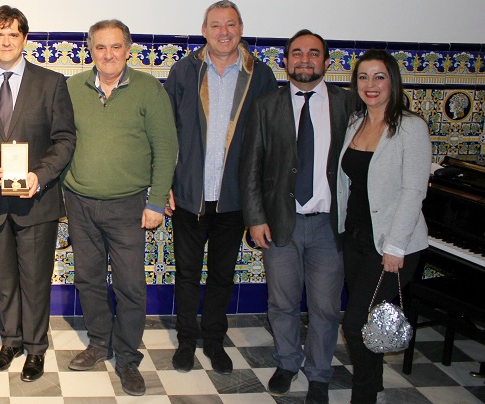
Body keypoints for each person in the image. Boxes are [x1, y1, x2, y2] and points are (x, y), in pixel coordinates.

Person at [64, 19, 177, 397]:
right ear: (90, 50)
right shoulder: (73, 88)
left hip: (130, 206)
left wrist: (156, 200)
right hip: (79, 203)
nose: (108, 54)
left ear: (129, 50)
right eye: (100, 47)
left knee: (130, 286)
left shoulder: (149, 90)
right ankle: (99, 343)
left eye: (115, 47)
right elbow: (61, 141)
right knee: (89, 279)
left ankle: (127, 357)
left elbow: (166, 149)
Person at [240, 29, 353, 404]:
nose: (305, 60)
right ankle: (287, 362)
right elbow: (251, 167)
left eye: (314, 54)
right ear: (285, 61)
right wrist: (256, 218)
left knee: (324, 305)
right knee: (282, 302)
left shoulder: (347, 104)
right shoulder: (266, 105)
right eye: (297, 54)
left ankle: (319, 373)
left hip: (328, 224)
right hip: (280, 223)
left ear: (326, 61)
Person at [164, 0, 277, 374]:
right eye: (216, 25)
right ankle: (186, 341)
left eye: (230, 25)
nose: (223, 32)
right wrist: (164, 184)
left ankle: (213, 341)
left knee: (222, 276)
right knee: (186, 273)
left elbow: (268, 140)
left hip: (233, 198)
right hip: (188, 195)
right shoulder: (183, 72)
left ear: (240, 30)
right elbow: (167, 137)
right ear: (204, 30)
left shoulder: (260, 76)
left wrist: (259, 198)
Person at [0, 5, 75, 382]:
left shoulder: (51, 83)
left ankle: (35, 348)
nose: (6, 41)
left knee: (35, 279)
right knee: (6, 278)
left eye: (14, 34)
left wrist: (39, 175)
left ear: (25, 39)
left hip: (36, 201)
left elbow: (64, 140)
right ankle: (10, 341)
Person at [338, 49, 430, 404]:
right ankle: (372, 384)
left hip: (392, 245)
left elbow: (413, 191)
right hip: (356, 239)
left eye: (379, 77)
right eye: (363, 77)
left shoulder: (410, 127)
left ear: (393, 80)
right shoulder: (355, 122)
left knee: (355, 323)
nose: (370, 85)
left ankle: (363, 398)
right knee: (370, 321)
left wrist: (395, 247)